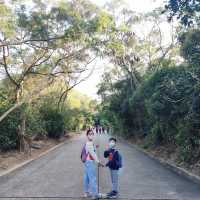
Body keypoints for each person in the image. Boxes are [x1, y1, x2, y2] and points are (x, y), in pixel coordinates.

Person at [81, 129, 104, 200]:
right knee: (92, 178)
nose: (91, 135)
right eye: (89, 134)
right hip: (90, 162)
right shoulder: (89, 143)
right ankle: (95, 194)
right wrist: (98, 162)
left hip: (86, 162)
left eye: (92, 134)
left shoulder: (88, 143)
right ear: (87, 135)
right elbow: (93, 154)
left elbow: (90, 150)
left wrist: (95, 147)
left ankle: (86, 192)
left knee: (86, 178)